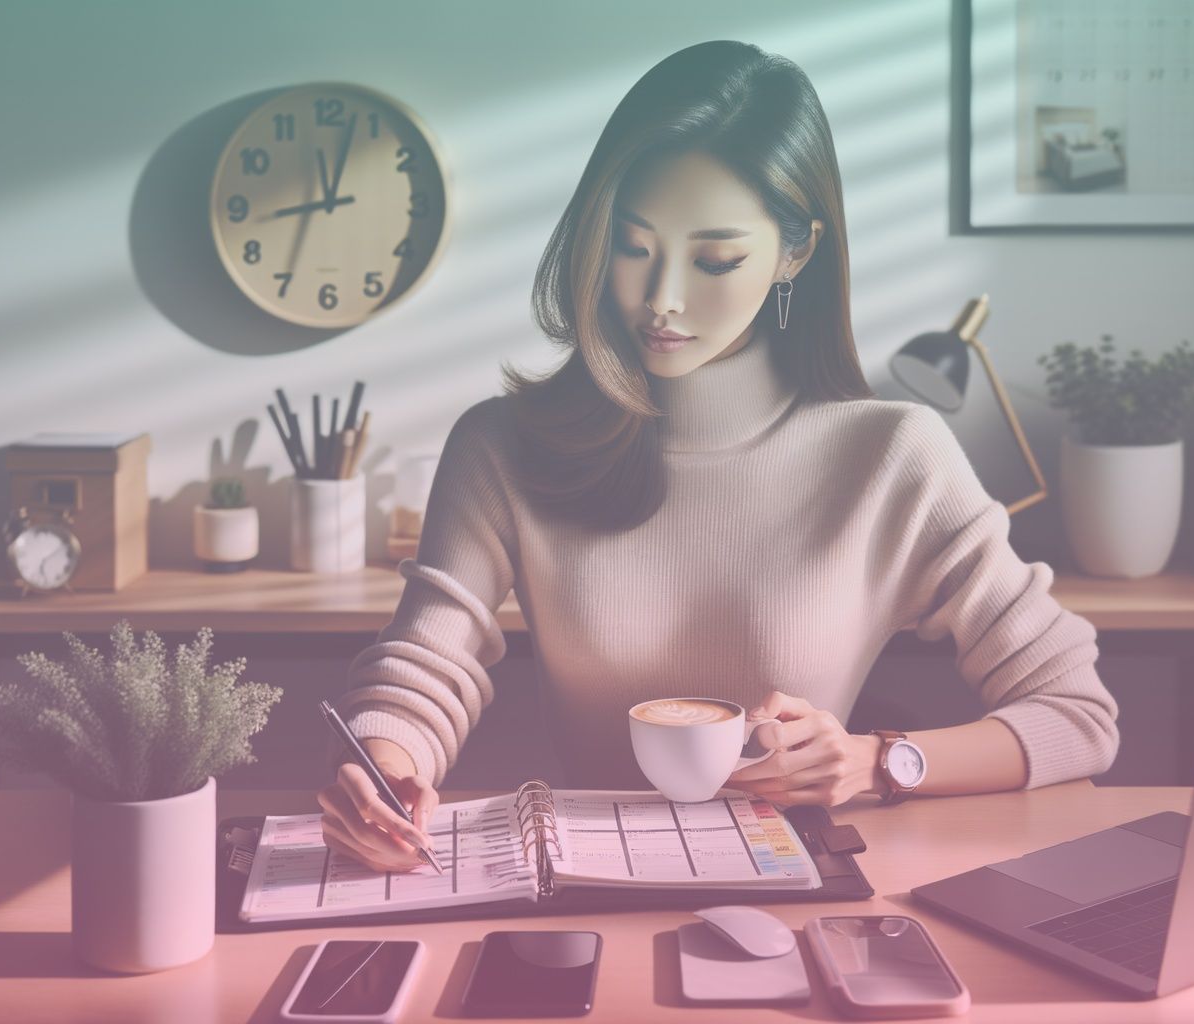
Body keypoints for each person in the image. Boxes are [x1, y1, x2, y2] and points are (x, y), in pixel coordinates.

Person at [316, 40, 1118, 872]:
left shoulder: (891, 456)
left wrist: (877, 762)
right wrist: (386, 773)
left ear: (795, 253)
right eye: (633, 247)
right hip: (591, 890)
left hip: (808, 892)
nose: (662, 298)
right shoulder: (504, 447)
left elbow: (1078, 717)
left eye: (715, 260)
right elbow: (423, 670)